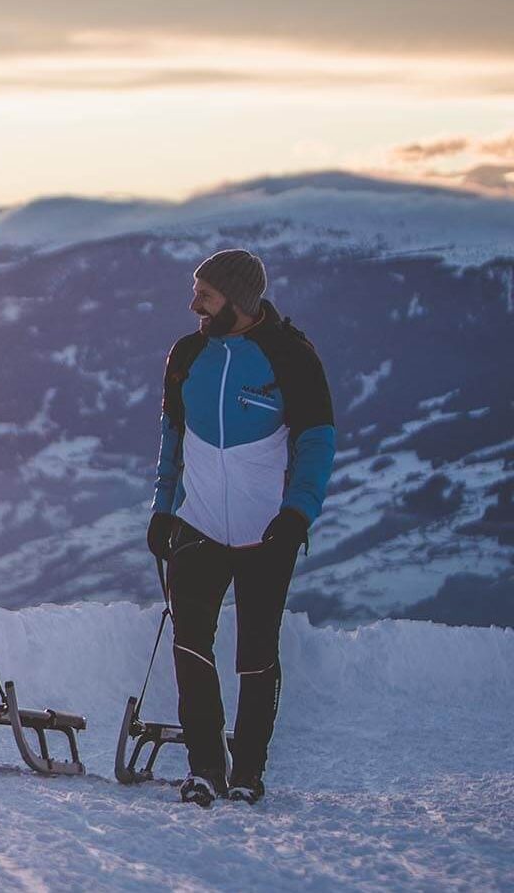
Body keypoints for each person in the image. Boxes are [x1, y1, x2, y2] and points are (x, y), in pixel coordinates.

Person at [149, 249, 335, 806]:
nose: (193, 305)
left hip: (267, 534)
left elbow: (316, 442)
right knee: (191, 647)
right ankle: (205, 768)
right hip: (197, 525)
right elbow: (171, 439)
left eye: (205, 294)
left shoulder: (290, 356)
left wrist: (297, 514)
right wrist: (162, 509)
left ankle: (248, 772)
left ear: (239, 299)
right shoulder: (187, 355)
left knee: (256, 655)